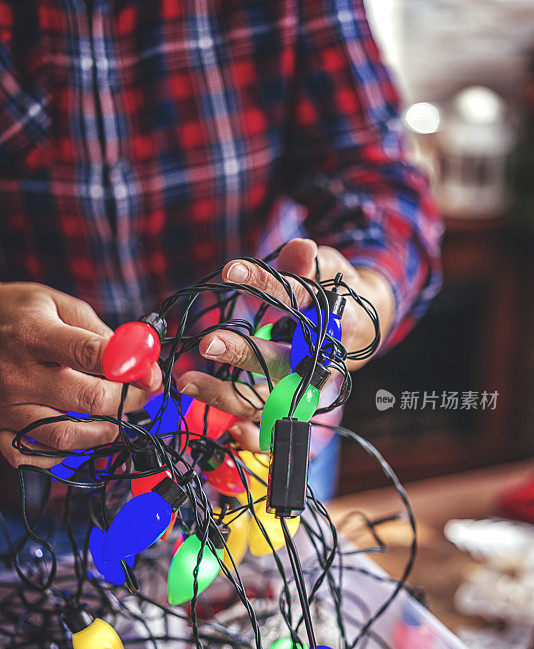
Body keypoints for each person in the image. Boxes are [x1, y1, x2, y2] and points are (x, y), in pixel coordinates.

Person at [0, 0, 441, 500]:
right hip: (30, 476)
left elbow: (378, 182)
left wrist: (364, 303)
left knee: (278, 572)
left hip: (259, 455)